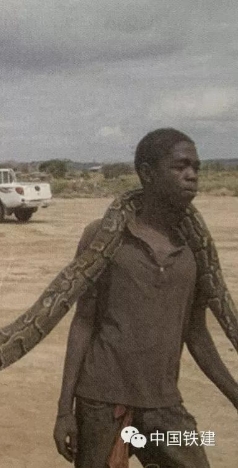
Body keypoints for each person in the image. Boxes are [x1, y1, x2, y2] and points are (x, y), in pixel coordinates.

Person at [53, 128, 238, 468]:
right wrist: (65, 409)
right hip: (101, 402)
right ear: (147, 173)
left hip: (164, 404)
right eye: (180, 166)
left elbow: (196, 333)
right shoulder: (102, 236)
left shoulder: (195, 250)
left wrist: (234, 394)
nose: (192, 175)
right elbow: (84, 321)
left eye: (196, 167)